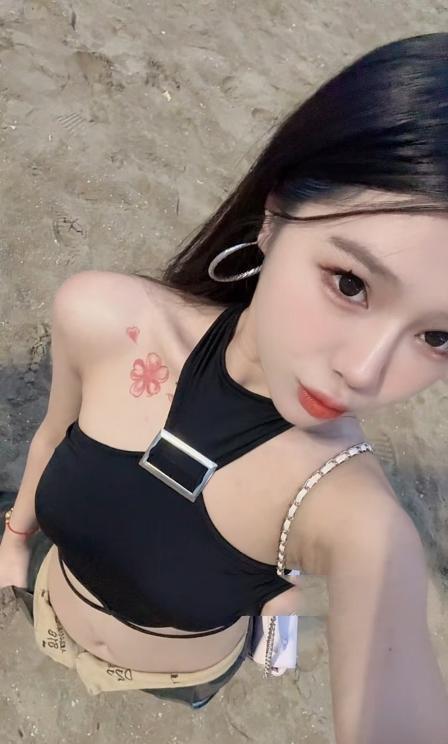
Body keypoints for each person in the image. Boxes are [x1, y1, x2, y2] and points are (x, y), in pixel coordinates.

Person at [1, 30, 448, 738]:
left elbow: (359, 608)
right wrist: (14, 538)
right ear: (274, 218)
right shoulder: (104, 318)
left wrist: (280, 645)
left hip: (180, 677)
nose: (365, 374)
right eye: (350, 283)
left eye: (438, 337)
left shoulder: (349, 507)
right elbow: (53, 435)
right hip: (52, 610)